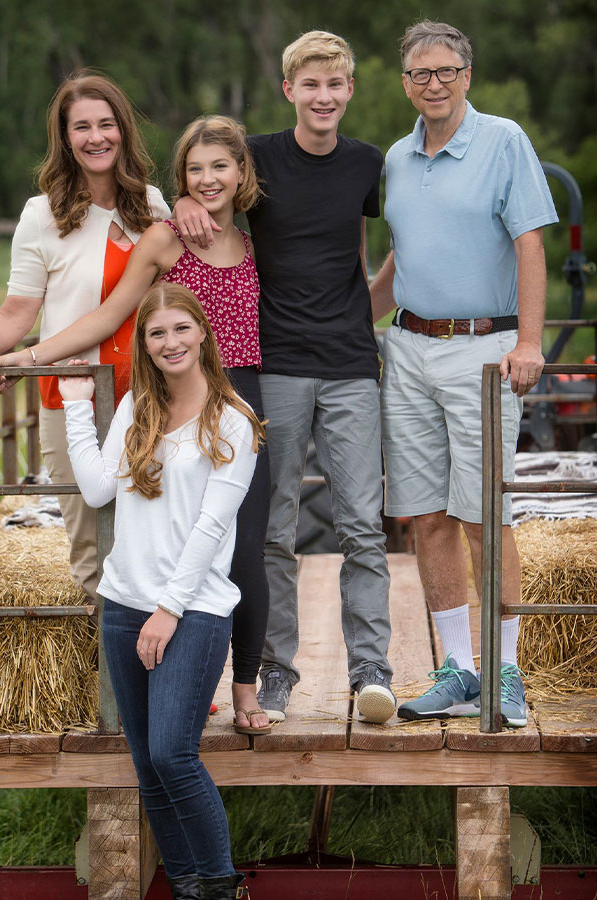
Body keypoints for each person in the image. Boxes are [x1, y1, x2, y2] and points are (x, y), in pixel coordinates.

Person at [0, 116, 271, 735]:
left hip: (240, 390)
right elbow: (112, 312)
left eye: (220, 166)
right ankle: (165, 676)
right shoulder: (167, 238)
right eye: (194, 170)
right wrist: (33, 355)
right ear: (181, 180)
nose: (207, 178)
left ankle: (246, 691)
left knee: (246, 548)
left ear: (242, 172)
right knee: (165, 531)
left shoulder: (253, 243)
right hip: (172, 393)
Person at [175, 31, 395, 724]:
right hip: (276, 368)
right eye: (311, 85)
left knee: (363, 523)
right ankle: (275, 668)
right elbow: (202, 179)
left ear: (349, 90)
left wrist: (370, 307)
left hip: (353, 366)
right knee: (274, 529)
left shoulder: (368, 163)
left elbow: (375, 247)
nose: (323, 96)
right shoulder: (260, 158)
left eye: (335, 85)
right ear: (289, 90)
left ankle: (371, 673)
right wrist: (174, 204)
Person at [0, 72, 170, 600]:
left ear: (124, 131)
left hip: (148, 396)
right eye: (82, 127)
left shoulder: (153, 206)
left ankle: (153, 677)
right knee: (91, 552)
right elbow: (15, 316)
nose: (96, 137)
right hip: (73, 400)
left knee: (151, 543)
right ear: (64, 138)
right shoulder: (42, 215)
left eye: (107, 124)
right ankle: (104, 681)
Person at [370, 20, 558, 727]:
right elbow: (401, 262)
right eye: (421, 74)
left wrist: (530, 342)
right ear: (405, 84)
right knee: (424, 515)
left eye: (447, 71)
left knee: (482, 515)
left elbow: (531, 245)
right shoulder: (395, 158)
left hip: (485, 349)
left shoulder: (503, 140)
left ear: (467, 75)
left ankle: (505, 674)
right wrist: (348, 314)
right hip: (408, 349)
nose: (435, 84)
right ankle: (458, 671)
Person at [59, 282, 262, 900]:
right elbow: (96, 491)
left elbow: (210, 529)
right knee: (147, 765)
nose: (170, 342)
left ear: (203, 333)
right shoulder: (134, 409)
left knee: (174, 755)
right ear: (144, 346)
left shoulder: (234, 423)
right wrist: (75, 406)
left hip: (192, 608)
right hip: (123, 604)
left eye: (180, 329)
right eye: (156, 334)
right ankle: (186, 887)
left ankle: (220, 888)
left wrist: (169, 609)